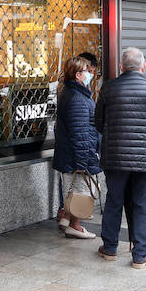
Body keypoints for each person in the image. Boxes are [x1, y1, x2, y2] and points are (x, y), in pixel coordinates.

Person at [93, 47, 146, 268]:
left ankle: (109, 248)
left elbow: (98, 123)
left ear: (121, 67)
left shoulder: (108, 89)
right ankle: (140, 255)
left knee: (114, 201)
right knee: (144, 204)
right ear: (143, 67)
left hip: (115, 157)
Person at [52, 56, 100, 240]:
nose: (90, 74)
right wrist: (83, 162)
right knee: (80, 192)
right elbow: (80, 133)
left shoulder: (73, 93)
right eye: (87, 71)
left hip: (71, 155)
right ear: (78, 75)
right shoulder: (77, 98)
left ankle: (67, 218)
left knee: (74, 191)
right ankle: (75, 226)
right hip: (76, 157)